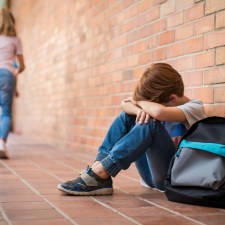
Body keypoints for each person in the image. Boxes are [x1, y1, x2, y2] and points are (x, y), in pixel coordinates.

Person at [58, 63, 206, 195]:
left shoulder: (194, 107)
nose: (148, 106)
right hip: (150, 175)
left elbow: (159, 112)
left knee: (151, 124)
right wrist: (137, 109)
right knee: (128, 117)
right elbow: (125, 105)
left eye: (152, 103)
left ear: (173, 98)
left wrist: (138, 102)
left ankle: (102, 171)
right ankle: (99, 173)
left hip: (172, 178)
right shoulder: (157, 106)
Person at [0, 8, 25, 159]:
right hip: (7, 75)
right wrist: (15, 73)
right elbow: (21, 65)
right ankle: (1, 143)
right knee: (6, 112)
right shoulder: (15, 40)